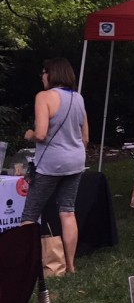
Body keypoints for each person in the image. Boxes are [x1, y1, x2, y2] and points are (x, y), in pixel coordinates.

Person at [22, 58, 89, 273]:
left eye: (44, 72)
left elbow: (41, 134)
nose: (42, 76)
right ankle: (70, 265)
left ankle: (27, 265)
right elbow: (85, 138)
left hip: (50, 164)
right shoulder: (78, 98)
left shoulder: (43, 97)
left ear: (52, 74)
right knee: (68, 211)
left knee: (30, 215)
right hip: (76, 161)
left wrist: (30, 134)